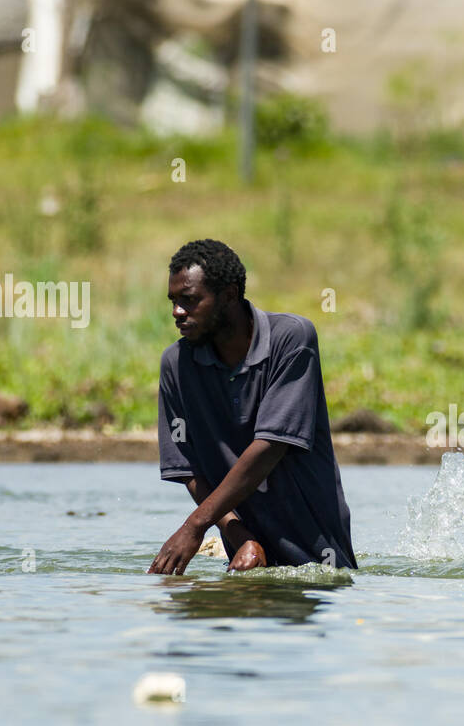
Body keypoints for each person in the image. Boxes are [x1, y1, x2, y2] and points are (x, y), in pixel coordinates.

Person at [148, 239, 356, 575]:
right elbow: (189, 470)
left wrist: (195, 526)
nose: (177, 312)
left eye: (189, 300)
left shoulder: (292, 339)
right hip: (242, 560)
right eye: (173, 301)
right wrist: (239, 535)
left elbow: (270, 447)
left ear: (229, 295)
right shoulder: (176, 364)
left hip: (317, 558)